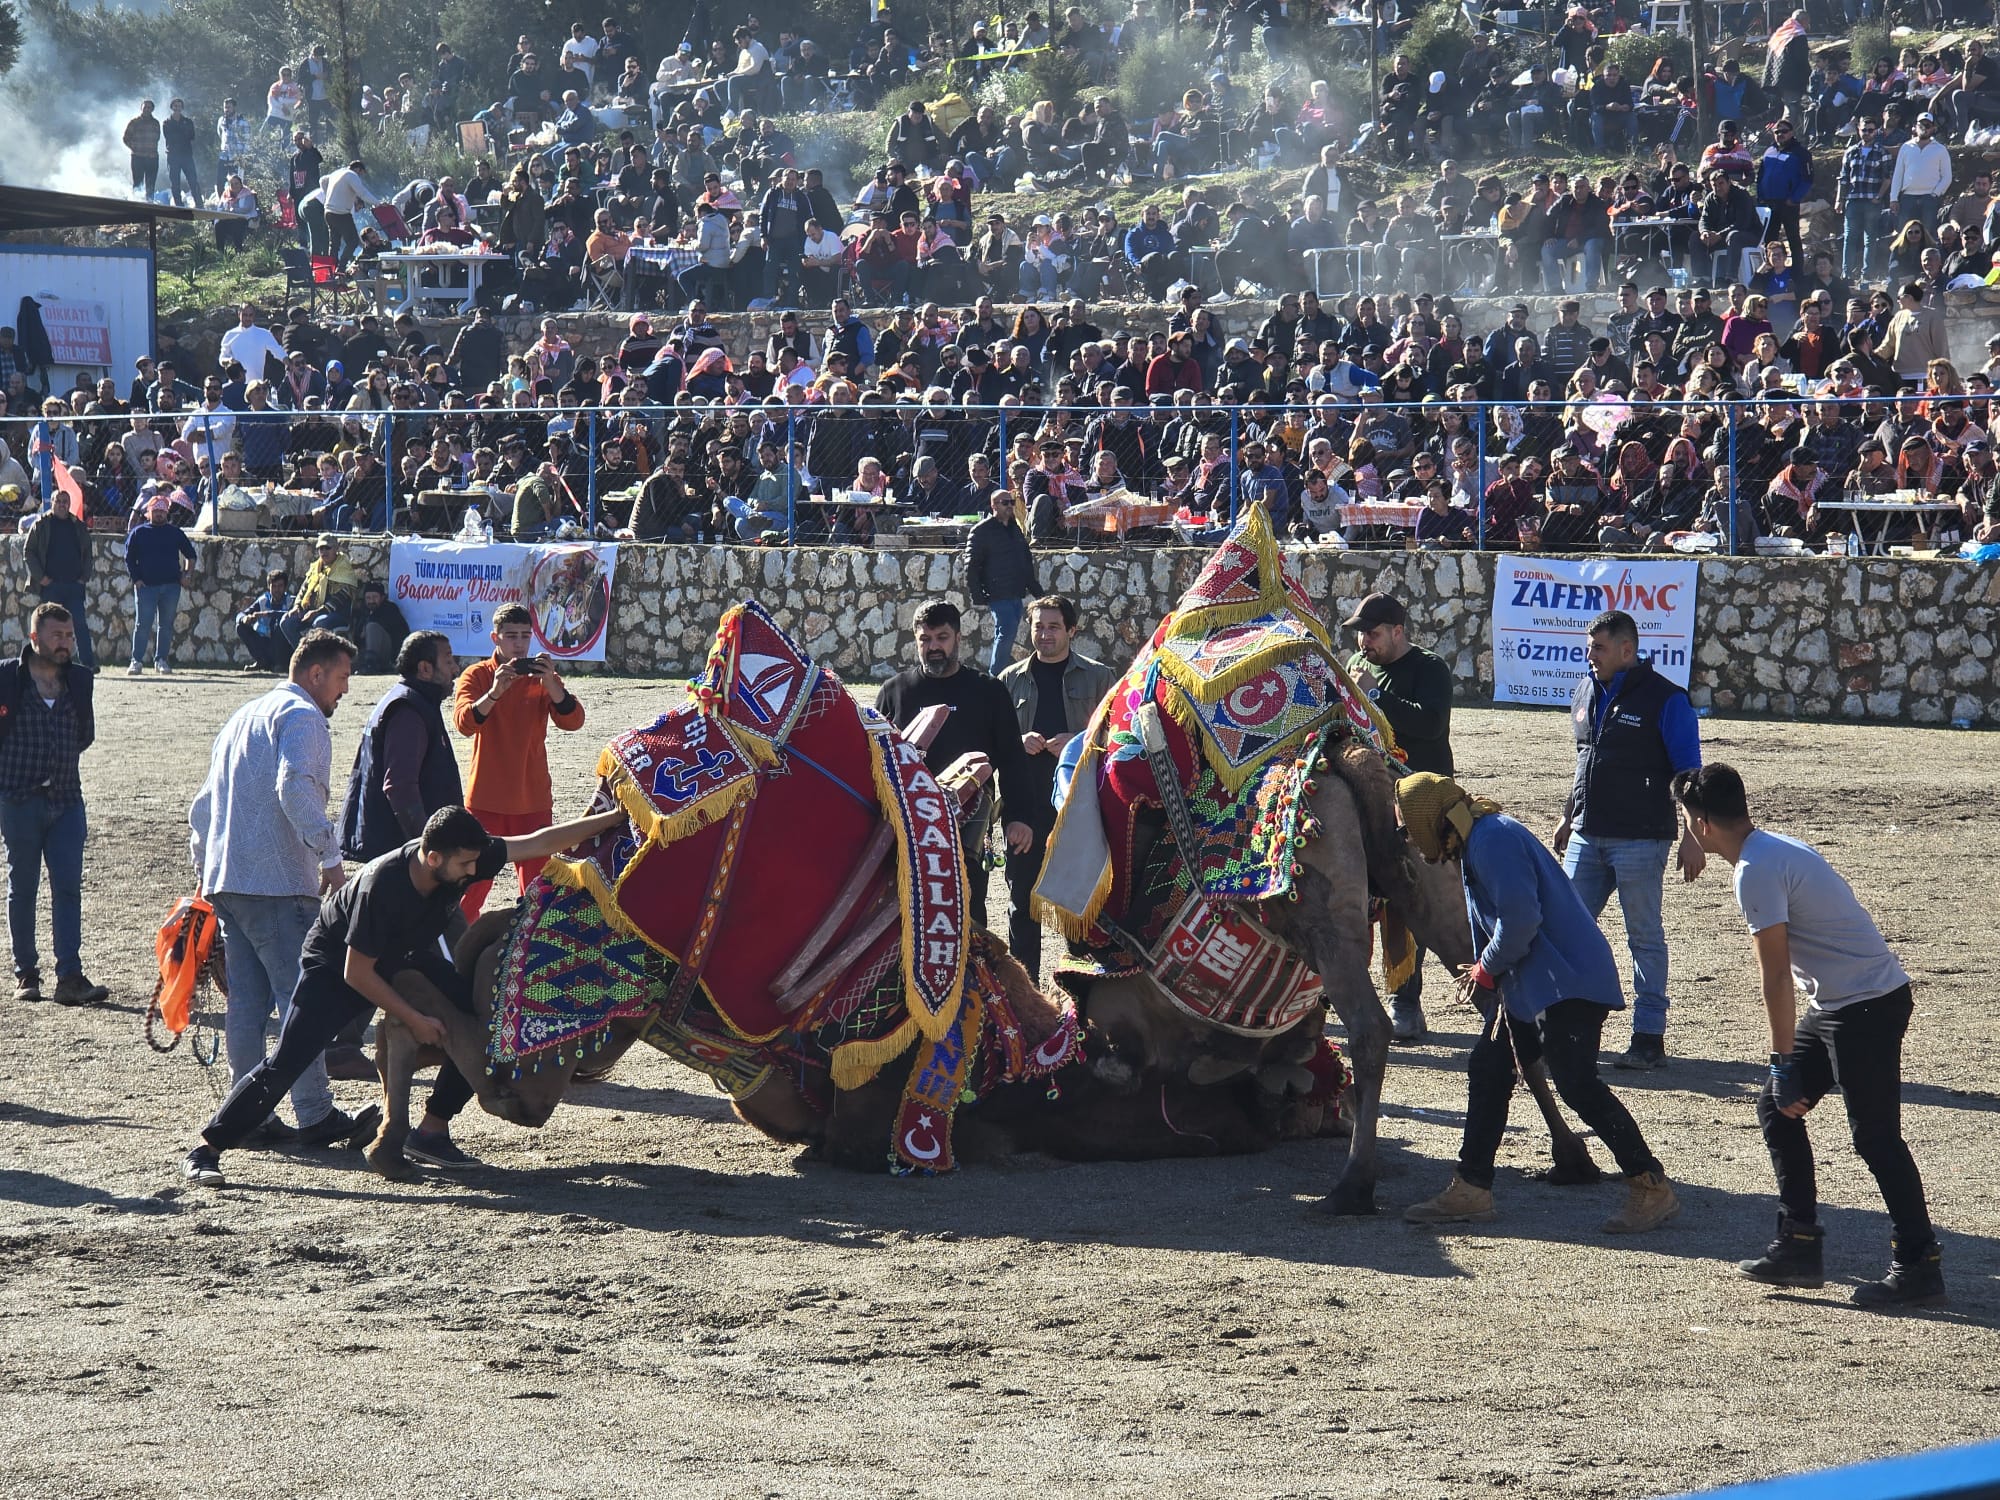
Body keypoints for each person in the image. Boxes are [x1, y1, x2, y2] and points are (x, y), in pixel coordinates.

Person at [182, 803, 627, 1187]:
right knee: (289, 1059)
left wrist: (612, 818)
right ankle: (208, 1147)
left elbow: (535, 841)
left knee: (476, 1017)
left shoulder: (460, 854)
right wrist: (414, 1020)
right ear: (433, 857)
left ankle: (431, 1131)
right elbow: (357, 973)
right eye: (465, 865)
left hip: (405, 954)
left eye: (476, 861)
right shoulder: (385, 887)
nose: (474, 872)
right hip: (336, 969)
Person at [1674, 764, 1945, 1307]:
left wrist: (1781, 1061)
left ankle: (1919, 1263)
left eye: (1685, 820)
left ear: (1701, 824)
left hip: (1867, 1006)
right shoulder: (1771, 847)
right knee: (1778, 1109)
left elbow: (1775, 976)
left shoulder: (1755, 869)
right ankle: (1799, 1243)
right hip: (1844, 1004)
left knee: (1875, 1137)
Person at [1396, 772, 1679, 1234]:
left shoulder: (1492, 840)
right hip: (1536, 985)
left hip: (1565, 982)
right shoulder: (1479, 839)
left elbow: (1521, 919)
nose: (1408, 837)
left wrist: (1485, 969)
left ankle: (1652, 1185)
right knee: (1489, 1067)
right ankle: (1472, 1188)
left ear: (1430, 819)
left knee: (1577, 1085)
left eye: (1408, 826)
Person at [188, 630, 361, 1148]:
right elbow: (295, 787)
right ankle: (315, 1115)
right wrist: (330, 859)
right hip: (279, 883)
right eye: (342, 678)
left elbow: (202, 807)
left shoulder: (243, 716)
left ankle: (247, 1119)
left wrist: (206, 873)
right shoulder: (304, 717)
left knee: (247, 1004)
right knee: (298, 1002)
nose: (345, 692)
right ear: (316, 674)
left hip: (228, 881)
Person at [1553, 609, 1703, 1071]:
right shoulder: (1584, 689)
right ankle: (1565, 1029)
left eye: (1598, 647)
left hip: (1641, 839)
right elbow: (1585, 760)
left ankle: (1648, 1035)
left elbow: (1689, 774)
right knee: (1563, 932)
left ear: (1626, 650)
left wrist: (1695, 836)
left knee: (1644, 937)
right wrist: (1568, 817)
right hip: (1587, 833)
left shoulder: (1666, 699)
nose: (1589, 654)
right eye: (1589, 645)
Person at [874, 599, 1034, 931]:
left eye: (941, 637)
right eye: (925, 639)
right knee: (905, 918)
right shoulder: (894, 692)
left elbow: (1013, 760)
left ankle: (972, 983)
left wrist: (1018, 818)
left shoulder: (988, 692)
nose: (933, 647)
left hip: (969, 828)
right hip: (907, 830)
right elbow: (875, 764)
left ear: (958, 637)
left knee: (968, 917)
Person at [1343, 591, 1453, 1042]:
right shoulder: (1359, 666)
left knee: (1410, 900)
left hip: (1419, 803)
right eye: (1361, 635)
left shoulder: (1429, 669)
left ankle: (1406, 1002)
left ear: (1397, 631)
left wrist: (1374, 694)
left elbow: (1430, 725)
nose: (1364, 642)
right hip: (1369, 799)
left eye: (1372, 634)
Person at [997, 595, 1113, 972]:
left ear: (1071, 631)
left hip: (1077, 810)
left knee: (1077, 902)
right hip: (1024, 810)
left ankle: (1079, 988)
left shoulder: (1099, 678)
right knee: (1023, 903)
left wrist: (1079, 741)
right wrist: (1016, 741)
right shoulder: (1008, 680)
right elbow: (992, 741)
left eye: (1053, 627)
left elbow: (1118, 739)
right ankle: (1026, 991)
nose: (1045, 634)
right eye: (1038, 626)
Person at [450, 602, 587, 922]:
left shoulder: (541, 677)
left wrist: (553, 686)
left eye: (525, 636)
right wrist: (496, 691)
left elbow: (574, 722)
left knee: (538, 893)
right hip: (486, 800)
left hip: (533, 800)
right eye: (511, 636)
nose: (519, 643)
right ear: (495, 638)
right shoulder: (478, 675)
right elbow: (464, 724)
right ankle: (453, 953)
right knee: (470, 890)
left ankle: (531, 958)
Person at [0, 604, 107, 1006]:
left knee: (67, 889)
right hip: (18, 799)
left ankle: (70, 977)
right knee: (22, 887)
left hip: (66, 800)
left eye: (69, 635)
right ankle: (26, 974)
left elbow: (84, 734)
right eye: (57, 636)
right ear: (34, 639)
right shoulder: (7, 678)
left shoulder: (79, 681)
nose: (65, 643)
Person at [339, 631, 463, 864]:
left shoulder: (412, 701)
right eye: (448, 661)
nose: (455, 669)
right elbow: (400, 787)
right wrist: (427, 847)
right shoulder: (408, 710)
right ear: (425, 669)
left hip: (399, 849)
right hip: (400, 853)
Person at [963, 487, 1042, 677]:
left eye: (1011, 502)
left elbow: (1025, 561)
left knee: (1009, 631)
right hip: (997, 591)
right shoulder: (981, 531)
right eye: (1005, 503)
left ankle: (1000, 673)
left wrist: (1036, 590)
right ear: (993, 506)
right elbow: (971, 566)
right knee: (1006, 631)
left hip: (1015, 590)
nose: (1009, 506)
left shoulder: (1014, 529)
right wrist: (978, 595)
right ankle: (996, 675)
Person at [24, 486, 97, 671]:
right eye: (59, 501)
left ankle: (88, 664)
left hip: (74, 585)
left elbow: (88, 552)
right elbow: (29, 551)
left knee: (79, 625)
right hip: (51, 586)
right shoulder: (41, 524)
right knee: (49, 627)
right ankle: (47, 661)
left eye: (66, 502)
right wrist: (41, 578)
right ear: (52, 503)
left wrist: (84, 577)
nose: (62, 505)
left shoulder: (78, 526)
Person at [124, 495, 198, 675]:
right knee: (143, 624)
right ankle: (136, 661)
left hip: (171, 586)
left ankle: (161, 660)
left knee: (166, 624)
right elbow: (129, 558)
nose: (158, 514)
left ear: (167, 512)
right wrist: (136, 579)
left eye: (162, 511)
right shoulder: (138, 532)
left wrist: (187, 575)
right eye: (155, 510)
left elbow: (191, 555)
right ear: (148, 513)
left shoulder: (175, 533)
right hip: (146, 587)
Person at [235, 568, 291, 672]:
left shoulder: (291, 602)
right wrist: (244, 618)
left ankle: (281, 663)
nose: (277, 590)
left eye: (280, 586)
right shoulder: (263, 601)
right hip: (265, 642)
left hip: (282, 646)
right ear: (268, 587)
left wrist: (267, 614)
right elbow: (241, 614)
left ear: (285, 587)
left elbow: (289, 615)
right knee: (240, 626)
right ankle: (262, 662)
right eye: (273, 586)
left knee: (281, 625)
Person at [351, 581, 409, 674]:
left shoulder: (390, 609)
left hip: (390, 654)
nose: (371, 601)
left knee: (372, 627)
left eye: (374, 597)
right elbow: (359, 637)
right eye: (368, 598)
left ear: (382, 597)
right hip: (366, 652)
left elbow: (394, 634)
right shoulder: (363, 612)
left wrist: (367, 625)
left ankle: (371, 665)